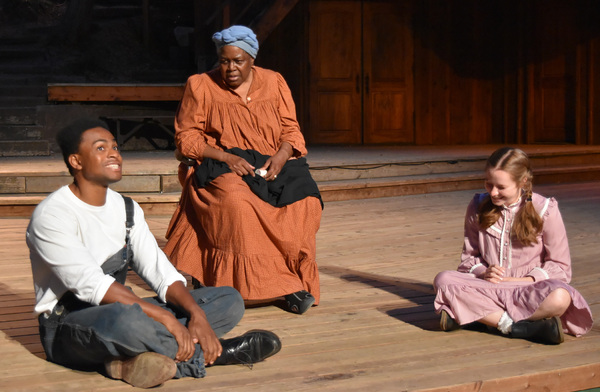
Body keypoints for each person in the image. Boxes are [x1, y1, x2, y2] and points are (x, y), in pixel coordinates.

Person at [26, 118, 282, 389]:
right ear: (76, 161)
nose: (114, 153)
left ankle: (130, 361)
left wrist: (196, 315)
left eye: (115, 147)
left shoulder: (127, 209)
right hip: (69, 327)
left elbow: (160, 272)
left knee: (229, 299)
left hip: (121, 309)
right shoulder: (52, 215)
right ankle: (211, 355)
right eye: (101, 148)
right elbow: (92, 285)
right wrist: (167, 319)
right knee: (128, 322)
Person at [164, 25, 323, 315]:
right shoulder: (200, 85)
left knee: (306, 202)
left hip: (271, 159)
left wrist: (282, 155)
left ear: (252, 60)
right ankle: (249, 286)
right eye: (225, 61)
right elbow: (186, 139)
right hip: (221, 161)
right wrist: (225, 157)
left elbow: (291, 130)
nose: (231, 68)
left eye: (238, 61)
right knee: (238, 204)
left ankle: (289, 281)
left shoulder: (274, 81)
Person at [433, 147, 593, 344]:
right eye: (488, 184)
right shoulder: (477, 206)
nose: (493, 192)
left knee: (560, 298)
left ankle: (478, 318)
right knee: (444, 280)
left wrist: (525, 280)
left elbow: (561, 267)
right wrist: (484, 272)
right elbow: (468, 258)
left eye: (501, 187)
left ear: (522, 182)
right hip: (488, 287)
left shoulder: (546, 210)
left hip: (528, 290)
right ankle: (514, 326)